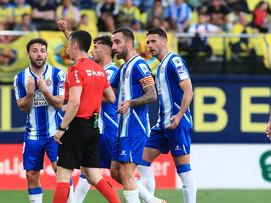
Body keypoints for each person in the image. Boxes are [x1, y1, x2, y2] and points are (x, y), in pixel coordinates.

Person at [52, 30, 120, 203]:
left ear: (75, 45)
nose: (67, 49)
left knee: (63, 175)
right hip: (94, 127)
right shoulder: (98, 69)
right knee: (94, 176)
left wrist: (61, 129)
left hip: (77, 126)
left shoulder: (76, 69)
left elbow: (74, 102)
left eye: (69, 45)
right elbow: (111, 97)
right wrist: (91, 98)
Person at [13, 38, 74, 203]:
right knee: (31, 174)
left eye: (42, 50)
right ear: (28, 54)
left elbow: (60, 103)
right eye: (35, 51)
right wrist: (30, 93)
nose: (39, 54)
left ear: (46, 53)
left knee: (60, 171)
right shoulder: (20, 78)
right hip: (32, 135)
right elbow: (22, 107)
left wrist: (45, 91)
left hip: (55, 133)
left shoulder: (57, 74)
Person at [110, 27, 164, 203]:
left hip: (135, 127)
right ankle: (151, 200)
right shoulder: (123, 67)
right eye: (112, 43)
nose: (114, 47)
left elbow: (152, 94)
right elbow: (110, 91)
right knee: (115, 172)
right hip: (122, 128)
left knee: (126, 172)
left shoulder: (139, 65)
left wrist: (130, 102)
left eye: (117, 42)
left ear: (129, 43)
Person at [144, 28, 197, 203]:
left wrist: (180, 115)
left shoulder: (174, 60)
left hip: (178, 124)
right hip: (162, 126)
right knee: (139, 161)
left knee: (183, 170)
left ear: (164, 41)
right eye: (148, 42)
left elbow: (188, 90)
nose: (149, 45)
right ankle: (150, 200)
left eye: (153, 41)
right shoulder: (160, 67)